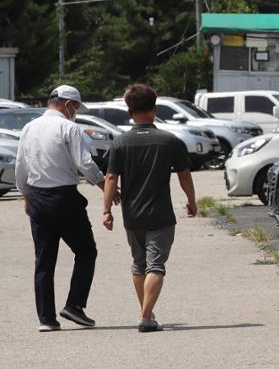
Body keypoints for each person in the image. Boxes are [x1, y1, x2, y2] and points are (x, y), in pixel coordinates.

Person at [15, 85, 118, 332]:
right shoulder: (68, 128)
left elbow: (21, 165)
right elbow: (84, 163)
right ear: (67, 104)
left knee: (44, 259)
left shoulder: (29, 127)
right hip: (63, 198)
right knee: (85, 251)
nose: (75, 113)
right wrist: (106, 185)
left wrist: (26, 196)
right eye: (75, 108)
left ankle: (46, 319)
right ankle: (74, 305)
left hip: (38, 198)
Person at [103, 83, 197, 332]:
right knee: (156, 265)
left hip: (132, 214)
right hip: (161, 215)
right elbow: (184, 174)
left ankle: (147, 312)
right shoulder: (169, 141)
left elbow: (111, 178)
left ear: (129, 111)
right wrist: (191, 200)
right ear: (154, 109)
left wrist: (106, 211)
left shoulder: (120, 142)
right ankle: (146, 316)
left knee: (139, 264)